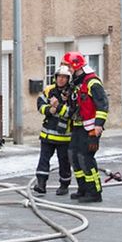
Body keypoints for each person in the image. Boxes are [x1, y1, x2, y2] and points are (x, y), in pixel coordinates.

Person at [65, 52, 109, 203]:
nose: (68, 69)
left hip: (90, 128)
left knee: (85, 158)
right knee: (73, 156)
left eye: (69, 66)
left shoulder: (92, 82)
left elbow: (102, 104)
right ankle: (83, 188)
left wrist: (98, 125)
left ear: (76, 66)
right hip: (78, 126)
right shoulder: (76, 82)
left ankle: (94, 192)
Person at [34, 65, 73, 195]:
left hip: (64, 137)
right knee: (43, 160)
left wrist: (58, 106)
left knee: (64, 162)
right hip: (47, 134)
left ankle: (64, 185)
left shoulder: (72, 93)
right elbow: (40, 105)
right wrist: (48, 110)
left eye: (64, 77)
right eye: (59, 76)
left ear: (68, 79)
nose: (61, 79)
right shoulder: (49, 90)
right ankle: (41, 184)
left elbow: (72, 112)